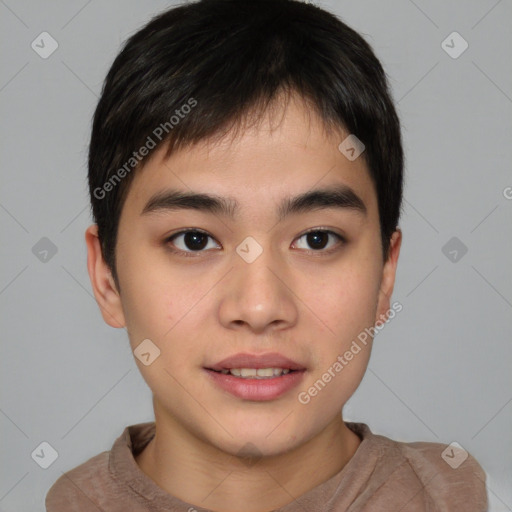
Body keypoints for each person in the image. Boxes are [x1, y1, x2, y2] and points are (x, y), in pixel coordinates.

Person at [46, 0, 488, 510]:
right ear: (106, 277)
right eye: (194, 240)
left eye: (317, 239)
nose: (258, 308)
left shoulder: (452, 493)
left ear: (385, 275)